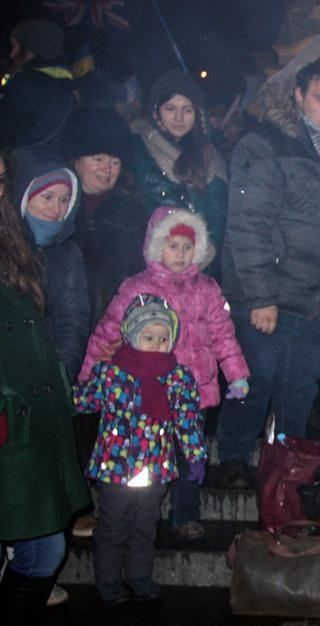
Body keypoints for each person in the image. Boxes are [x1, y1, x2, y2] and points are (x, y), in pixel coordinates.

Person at [217, 60, 320, 488]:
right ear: (299, 96)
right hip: (266, 294)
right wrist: (260, 296)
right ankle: (235, 456)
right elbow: (249, 223)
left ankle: (287, 465)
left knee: (299, 388)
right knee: (255, 382)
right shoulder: (264, 145)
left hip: (312, 295)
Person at [79, 207, 249, 538]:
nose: (181, 255)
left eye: (188, 247)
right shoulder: (135, 288)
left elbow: (223, 334)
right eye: (173, 246)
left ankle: (184, 514)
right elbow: (108, 333)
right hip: (143, 391)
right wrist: (89, 376)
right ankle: (140, 513)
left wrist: (237, 373)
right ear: (156, 245)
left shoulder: (207, 289)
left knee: (190, 453)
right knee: (145, 451)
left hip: (192, 390)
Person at [0, 189, 91, 626]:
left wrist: (57, 379)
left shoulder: (16, 243)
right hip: (10, 415)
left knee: (44, 550)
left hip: (31, 418)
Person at [74, 295, 207, 605]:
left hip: (156, 468)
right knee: (113, 526)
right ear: (133, 336)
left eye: (163, 338)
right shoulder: (110, 374)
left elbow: (187, 419)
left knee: (145, 525)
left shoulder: (177, 378)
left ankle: (139, 575)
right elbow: (82, 401)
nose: (156, 344)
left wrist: (196, 456)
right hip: (116, 467)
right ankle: (108, 579)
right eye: (148, 337)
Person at [133, 69, 229, 279]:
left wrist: (200, 257)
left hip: (201, 270)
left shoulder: (211, 157)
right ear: (156, 111)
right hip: (148, 272)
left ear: (198, 114)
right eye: (170, 108)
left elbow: (217, 215)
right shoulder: (139, 152)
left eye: (187, 110)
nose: (178, 118)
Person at [61, 106, 150, 327]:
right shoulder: (57, 206)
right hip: (63, 324)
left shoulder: (134, 213)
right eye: (98, 158)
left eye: (115, 161)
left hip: (112, 328)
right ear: (76, 160)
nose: (107, 168)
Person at [11, 150, 88, 376]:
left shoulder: (68, 254)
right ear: (25, 197)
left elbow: (73, 323)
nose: (56, 209)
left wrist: (61, 377)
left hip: (46, 372)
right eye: (47, 197)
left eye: (64, 200)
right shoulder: (8, 245)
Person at [0, 20, 74, 151]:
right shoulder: (65, 81)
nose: (12, 54)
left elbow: (4, 128)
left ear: (31, 47)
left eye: (15, 46)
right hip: (49, 162)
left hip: (21, 163)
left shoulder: (26, 82)